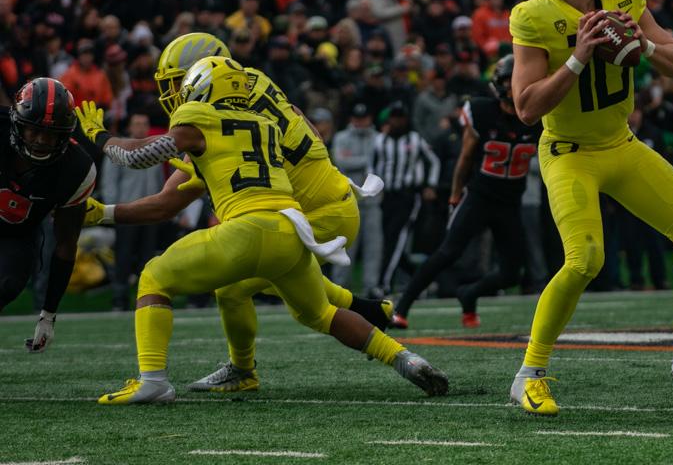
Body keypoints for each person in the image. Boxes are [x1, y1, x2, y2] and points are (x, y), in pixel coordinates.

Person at [79, 56, 447, 404]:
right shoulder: (267, 125)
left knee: (153, 277)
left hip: (246, 229)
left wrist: (98, 135)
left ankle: (153, 381)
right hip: (290, 231)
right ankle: (405, 359)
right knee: (319, 313)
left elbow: (139, 155)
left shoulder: (199, 117)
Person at [509, 0, 673, 416]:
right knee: (585, 259)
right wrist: (579, 56)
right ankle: (529, 373)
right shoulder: (534, 15)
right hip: (568, 153)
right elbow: (526, 108)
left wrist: (641, 43)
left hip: (620, 143)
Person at [392, 55, 541, 329]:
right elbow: (465, 157)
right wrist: (456, 194)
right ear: (499, 84)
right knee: (448, 252)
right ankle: (402, 307)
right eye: (509, 80)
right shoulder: (483, 111)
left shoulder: (537, 117)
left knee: (511, 274)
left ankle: (469, 293)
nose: (515, 86)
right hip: (480, 196)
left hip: (510, 202)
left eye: (519, 79)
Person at [0, 78, 95, 353]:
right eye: (33, 130)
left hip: (17, 234)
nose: (42, 140)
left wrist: (48, 314)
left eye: (52, 133)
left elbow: (66, 246)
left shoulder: (75, 169)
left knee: (5, 284)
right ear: (17, 124)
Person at [372, 101, 441, 294]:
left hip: (408, 196)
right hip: (388, 197)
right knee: (391, 242)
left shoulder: (415, 139)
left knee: (397, 239)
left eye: (400, 117)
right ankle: (421, 278)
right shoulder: (380, 140)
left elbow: (433, 161)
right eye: (394, 117)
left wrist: (430, 184)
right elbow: (373, 165)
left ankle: (383, 284)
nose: (397, 121)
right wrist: (375, 188)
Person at [98, 112, 163, 311]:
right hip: (127, 211)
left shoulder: (155, 147)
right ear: (130, 127)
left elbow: (160, 181)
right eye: (137, 123)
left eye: (145, 123)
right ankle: (120, 299)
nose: (141, 127)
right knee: (123, 256)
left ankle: (144, 298)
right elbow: (109, 183)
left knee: (148, 257)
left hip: (150, 212)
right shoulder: (119, 148)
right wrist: (112, 210)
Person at [332, 103, 384, 295]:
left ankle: (372, 286)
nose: (360, 122)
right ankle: (339, 287)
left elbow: (383, 162)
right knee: (345, 246)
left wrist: (363, 160)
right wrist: (368, 160)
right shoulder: (341, 137)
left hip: (372, 202)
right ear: (351, 119)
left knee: (373, 246)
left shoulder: (379, 138)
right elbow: (341, 160)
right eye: (357, 118)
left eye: (364, 118)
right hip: (348, 201)